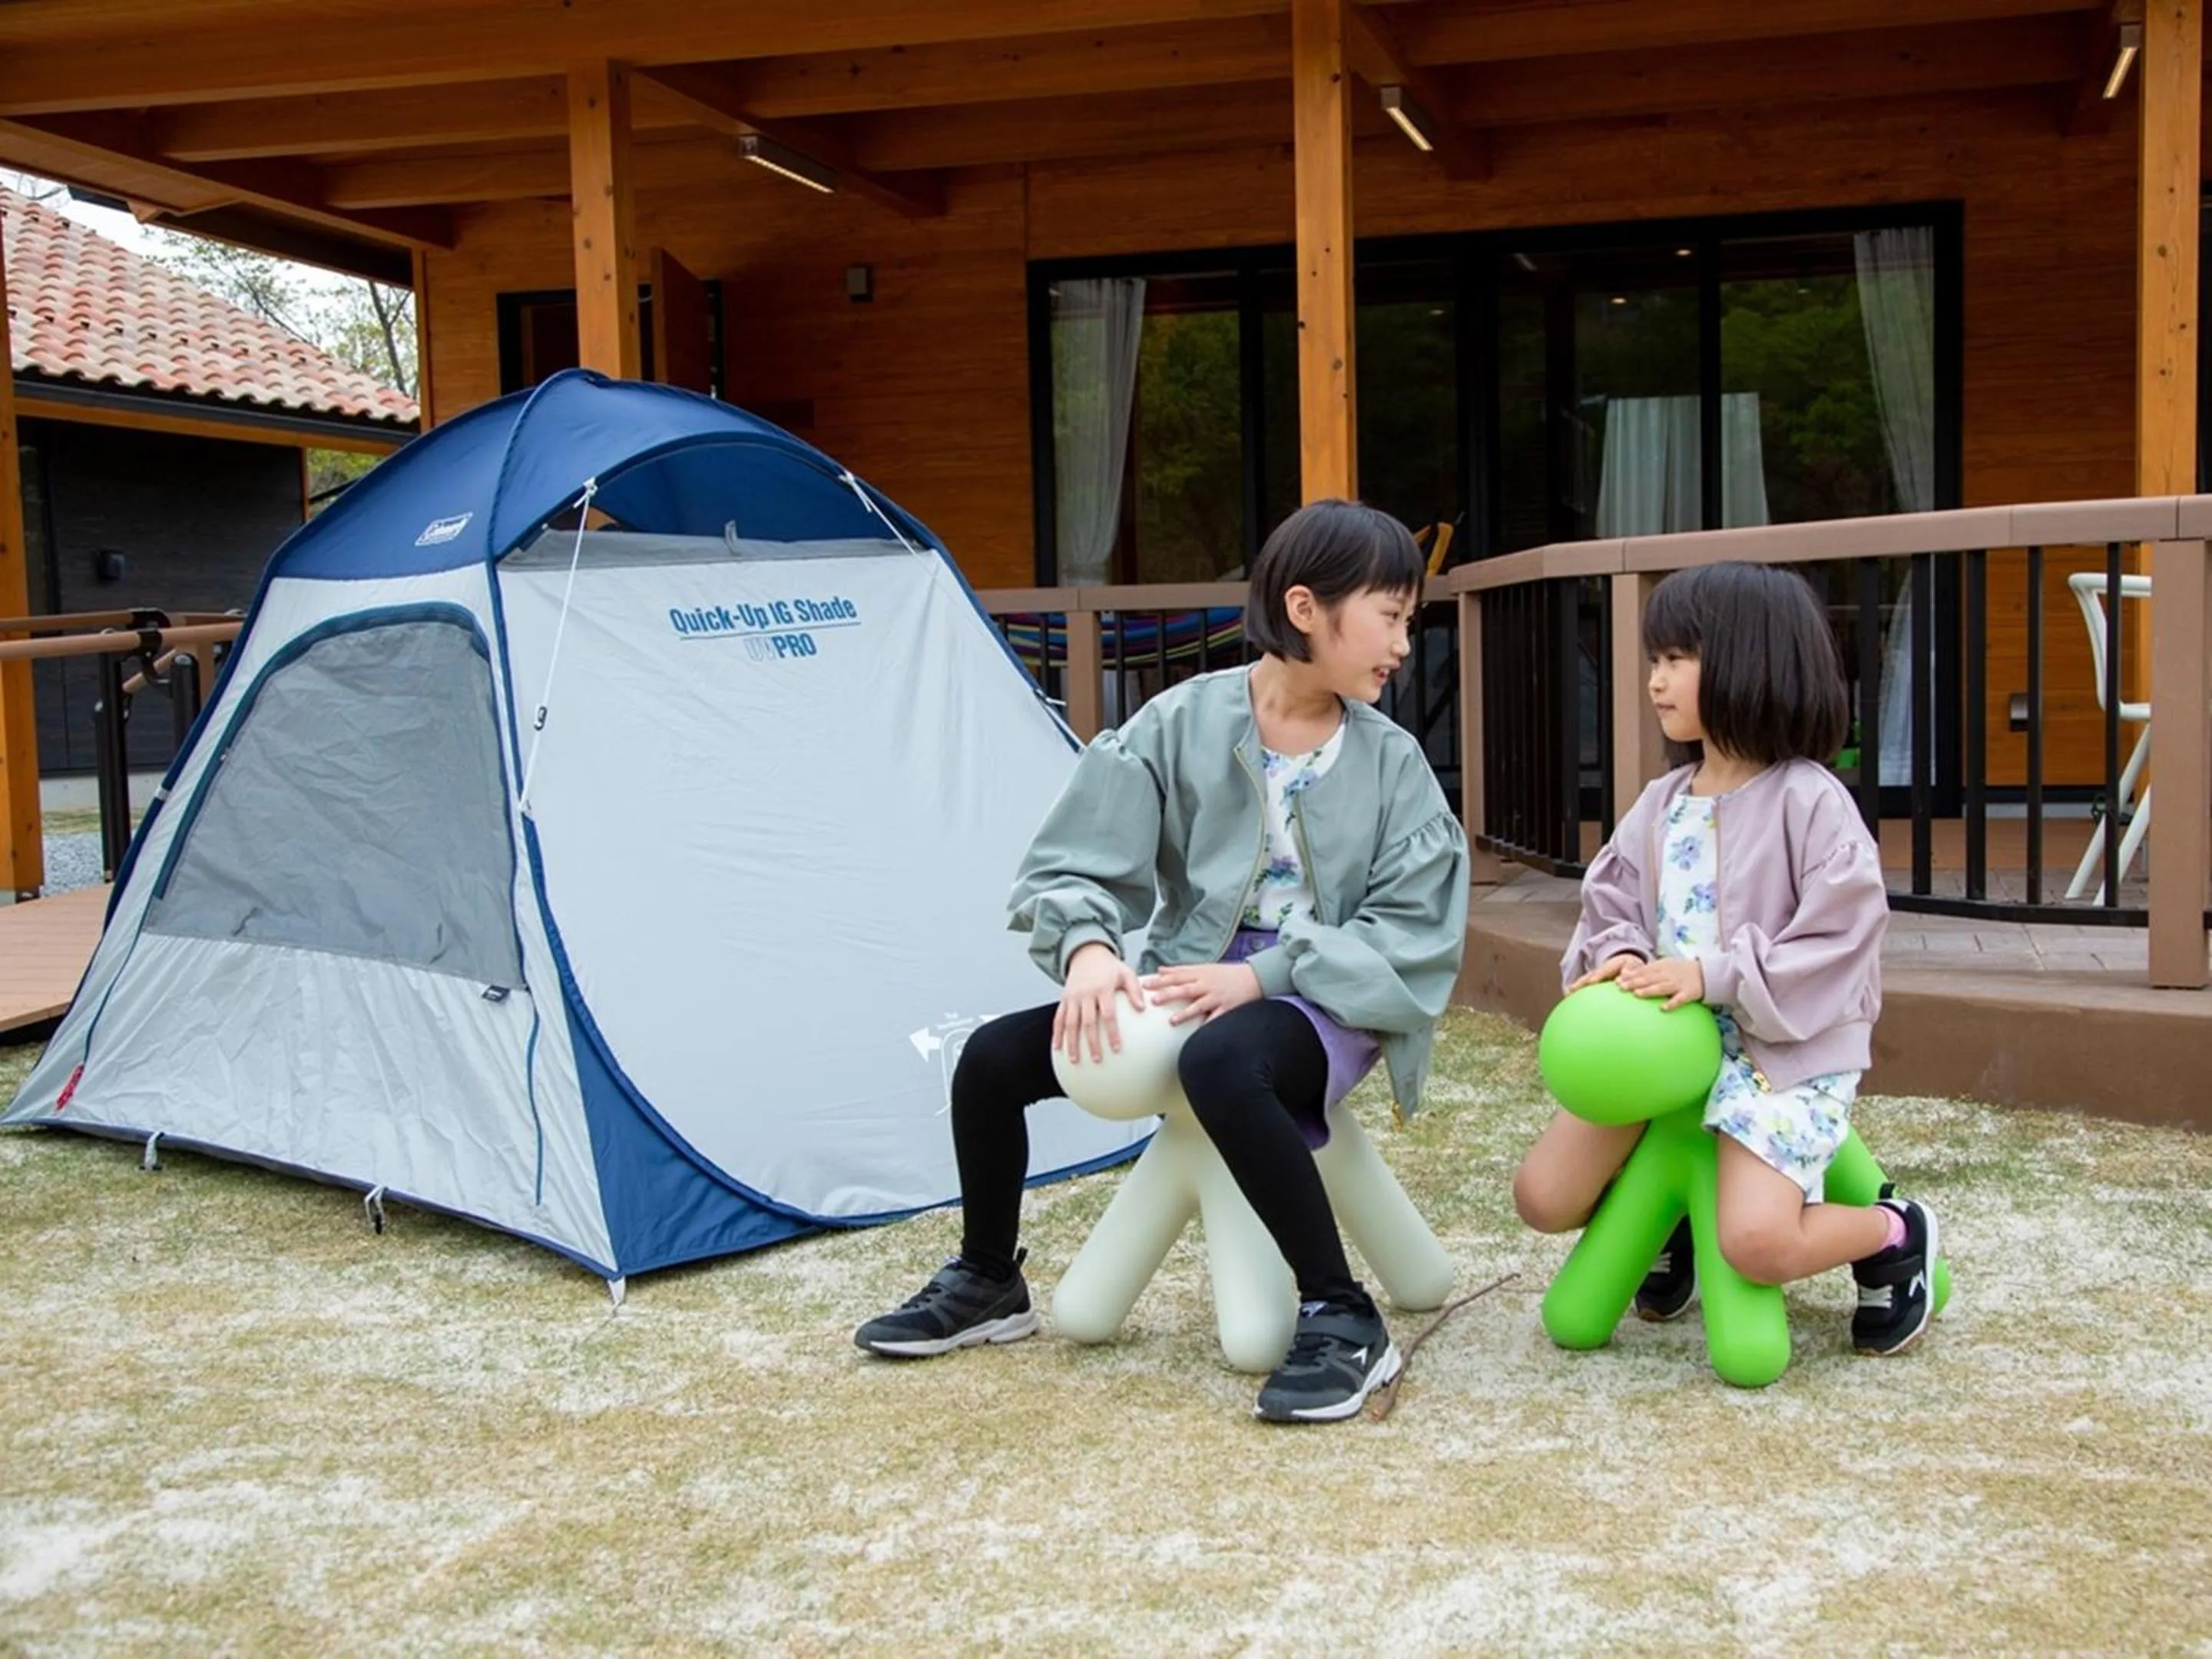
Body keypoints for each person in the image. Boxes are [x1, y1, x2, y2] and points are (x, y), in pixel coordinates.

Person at [855, 499, 1471, 1422]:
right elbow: (1073, 861)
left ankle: (1343, 1318)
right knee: (990, 1061)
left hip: (1324, 1000)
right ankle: (988, 1278)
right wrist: (1094, 951)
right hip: (1188, 981)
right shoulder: (1177, 725)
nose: (1403, 646)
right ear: (1307, 609)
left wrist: (1262, 977)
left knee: (1223, 1060)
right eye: (1391, 617)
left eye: (1407, 623)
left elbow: (1410, 937)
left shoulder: (1394, 766)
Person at [1513, 561, 1939, 1356]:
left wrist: (1714, 976)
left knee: (1757, 1243)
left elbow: (1840, 941)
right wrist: (1622, 953)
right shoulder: (1662, 803)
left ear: (1752, 662)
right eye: (1655, 660)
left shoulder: (1811, 800)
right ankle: (1669, 1224)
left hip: (1777, 1060)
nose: (1655, 680)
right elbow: (1611, 901)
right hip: (1665, 1053)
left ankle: (1891, 1232)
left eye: (1678, 659)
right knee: (1542, 1196)